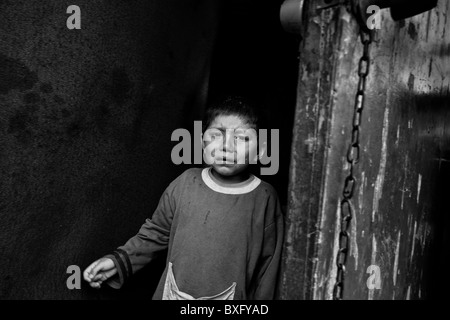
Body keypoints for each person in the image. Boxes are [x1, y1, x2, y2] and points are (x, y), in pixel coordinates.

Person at [83, 96, 284, 300]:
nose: (226, 146)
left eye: (242, 138)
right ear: (202, 142)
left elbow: (268, 269)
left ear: (261, 150)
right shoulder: (185, 183)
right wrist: (117, 262)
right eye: (216, 135)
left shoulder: (264, 198)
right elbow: (156, 233)